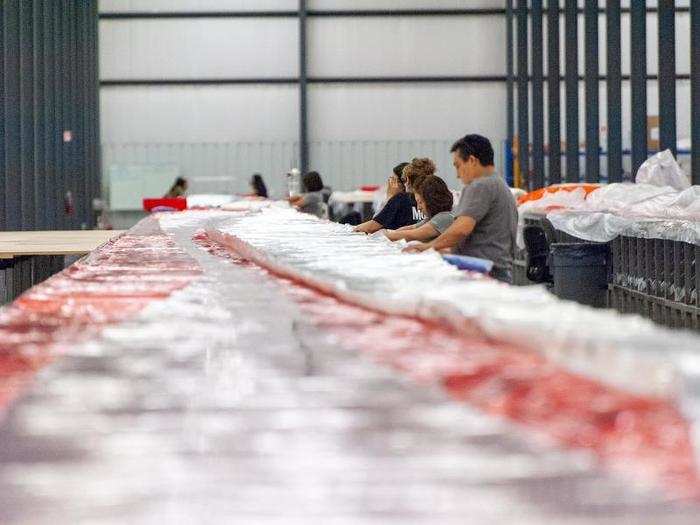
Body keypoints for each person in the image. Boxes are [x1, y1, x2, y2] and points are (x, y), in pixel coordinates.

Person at [404, 135, 518, 284]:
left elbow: (461, 229)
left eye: (458, 166)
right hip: (496, 270)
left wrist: (427, 247)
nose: (457, 174)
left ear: (472, 161)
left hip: (484, 273)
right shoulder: (498, 183)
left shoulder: (480, 185)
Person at [354, 158, 432, 234]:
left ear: (406, 180)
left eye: (393, 180)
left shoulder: (400, 199)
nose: (390, 183)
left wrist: (390, 197)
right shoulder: (431, 196)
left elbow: (372, 227)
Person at [384, 175, 454, 243]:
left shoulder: (444, 217)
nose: (418, 208)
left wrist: (385, 235)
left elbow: (414, 234)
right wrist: (391, 233)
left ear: (432, 200)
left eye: (420, 202)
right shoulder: (432, 218)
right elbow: (411, 228)